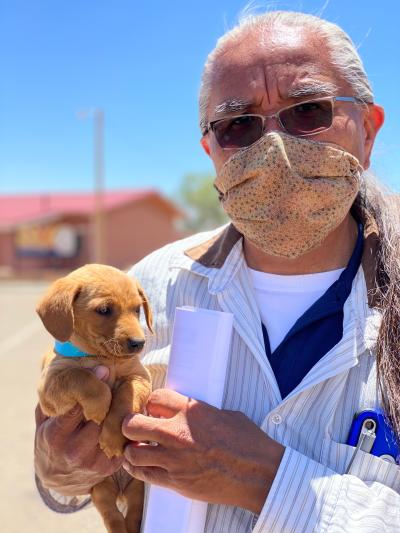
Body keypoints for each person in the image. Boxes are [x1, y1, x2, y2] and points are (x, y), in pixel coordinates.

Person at [35, 10, 400, 532]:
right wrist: (60, 469)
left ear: (367, 128)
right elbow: (65, 480)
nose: (274, 146)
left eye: (309, 111)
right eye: (238, 124)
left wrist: (265, 481)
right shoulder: (153, 285)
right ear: (211, 149)